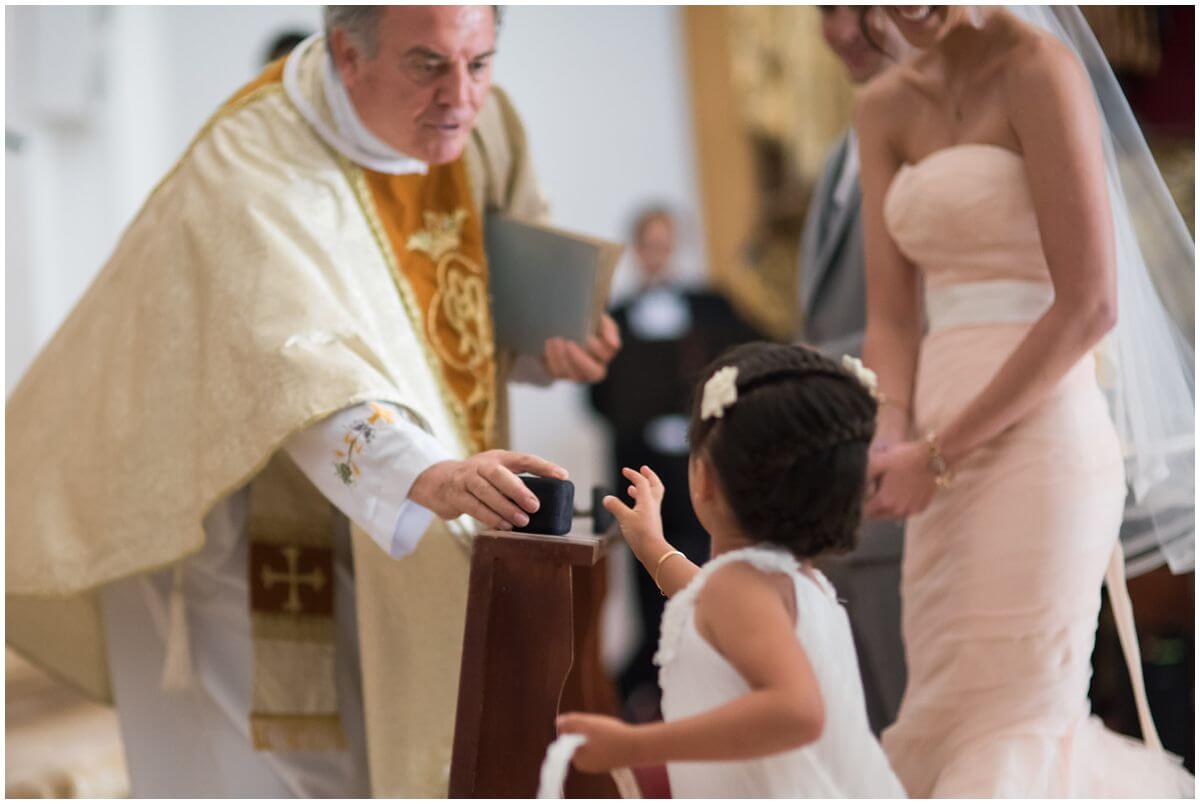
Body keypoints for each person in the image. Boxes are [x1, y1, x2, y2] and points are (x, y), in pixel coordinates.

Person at [6, 6, 621, 798]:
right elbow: (293, 362)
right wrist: (427, 473)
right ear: (347, 53)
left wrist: (551, 342)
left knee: (389, 747)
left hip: (381, 510)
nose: (460, 98)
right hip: (237, 506)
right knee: (279, 770)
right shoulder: (254, 159)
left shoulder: (483, 124)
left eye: (481, 61)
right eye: (428, 65)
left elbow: (500, 269)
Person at [856, 5, 1193, 796]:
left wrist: (940, 450)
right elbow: (892, 317)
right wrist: (889, 437)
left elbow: (1090, 305)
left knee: (1017, 715)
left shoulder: (1040, 70)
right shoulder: (882, 106)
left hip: (1042, 438)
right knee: (945, 708)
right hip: (926, 451)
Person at [561, 342, 906, 798]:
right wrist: (652, 546)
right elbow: (704, 606)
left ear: (703, 476)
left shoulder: (740, 587)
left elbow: (797, 711)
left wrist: (632, 744)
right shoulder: (795, 580)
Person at [588, 206, 762, 721]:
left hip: (705, 466)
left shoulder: (711, 308)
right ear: (637, 250)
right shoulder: (614, 319)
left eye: (666, 244)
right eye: (649, 245)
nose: (657, 255)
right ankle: (659, 682)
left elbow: (754, 358)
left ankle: (720, 671)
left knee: (710, 559)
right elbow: (597, 398)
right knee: (649, 575)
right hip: (644, 468)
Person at [797, 5, 908, 734]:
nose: (840, 30)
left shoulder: (972, 132)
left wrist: (795, 376)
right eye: (824, 8)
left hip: (919, 491)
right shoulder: (849, 145)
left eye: (858, 4)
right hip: (842, 502)